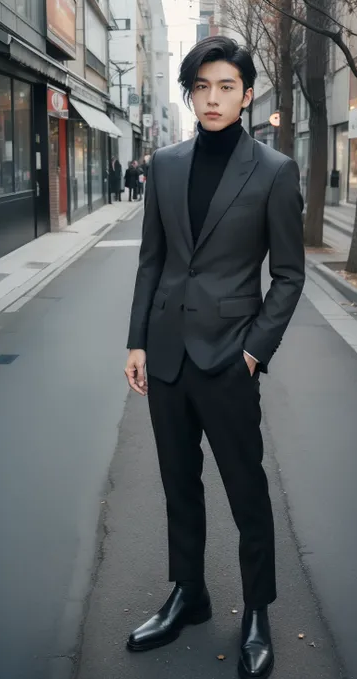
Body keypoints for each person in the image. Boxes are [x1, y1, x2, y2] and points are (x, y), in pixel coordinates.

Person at [124, 35, 305, 678]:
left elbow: (288, 275)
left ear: (248, 94)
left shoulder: (275, 171)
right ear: (190, 93)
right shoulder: (166, 165)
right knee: (179, 485)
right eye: (202, 86)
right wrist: (137, 340)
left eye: (226, 86)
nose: (213, 97)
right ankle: (189, 594)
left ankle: (258, 608)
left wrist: (255, 352)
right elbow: (153, 261)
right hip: (168, 355)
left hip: (231, 358)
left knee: (246, 489)